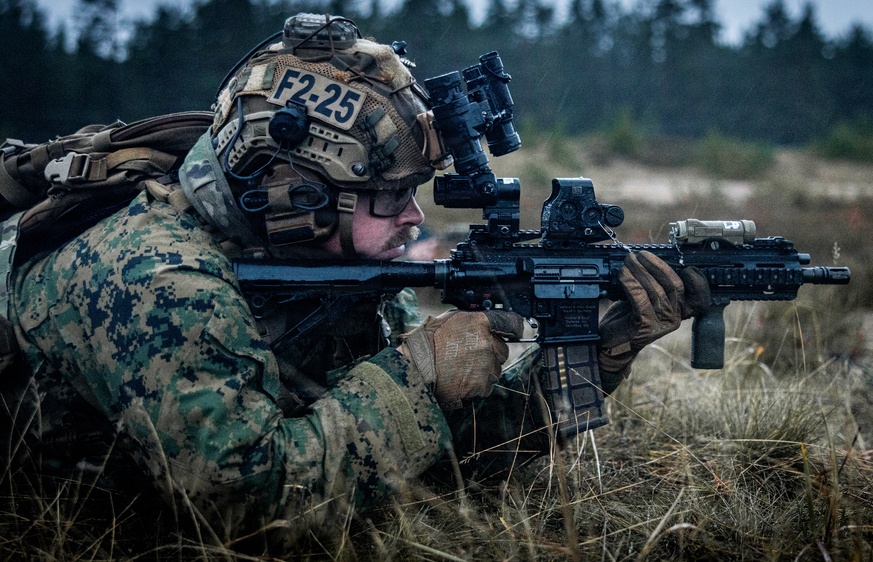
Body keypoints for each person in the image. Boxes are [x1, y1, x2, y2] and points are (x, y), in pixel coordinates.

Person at [1, 13, 707, 549]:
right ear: (297, 193)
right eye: (389, 195)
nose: (412, 217)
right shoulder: (157, 279)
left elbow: (414, 457)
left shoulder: (314, 261)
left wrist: (577, 367)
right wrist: (415, 376)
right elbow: (243, 511)